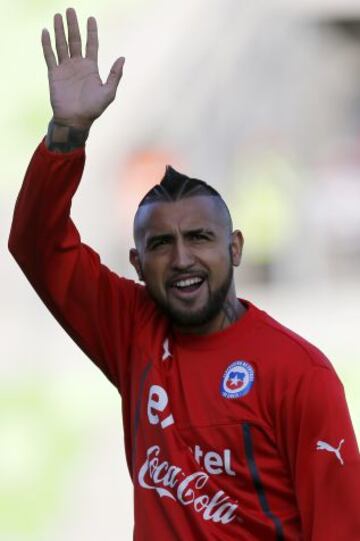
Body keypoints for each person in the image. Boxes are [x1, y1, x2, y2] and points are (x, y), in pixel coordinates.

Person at [8, 8, 360, 541]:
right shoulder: (131, 330)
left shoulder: (300, 374)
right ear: (135, 263)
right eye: (160, 245)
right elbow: (36, 243)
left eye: (199, 239)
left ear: (235, 248)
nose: (181, 260)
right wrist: (67, 132)